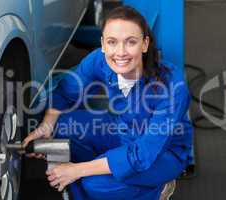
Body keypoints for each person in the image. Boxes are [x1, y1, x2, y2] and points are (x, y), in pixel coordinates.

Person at [23, 6, 193, 200]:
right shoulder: (99, 60)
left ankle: (157, 189)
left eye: (131, 42)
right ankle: (100, 175)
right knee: (60, 125)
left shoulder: (172, 86)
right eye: (112, 42)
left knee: (94, 184)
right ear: (103, 44)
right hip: (122, 130)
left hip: (162, 152)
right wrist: (47, 125)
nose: (120, 52)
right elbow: (67, 92)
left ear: (145, 44)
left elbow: (142, 154)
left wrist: (77, 170)